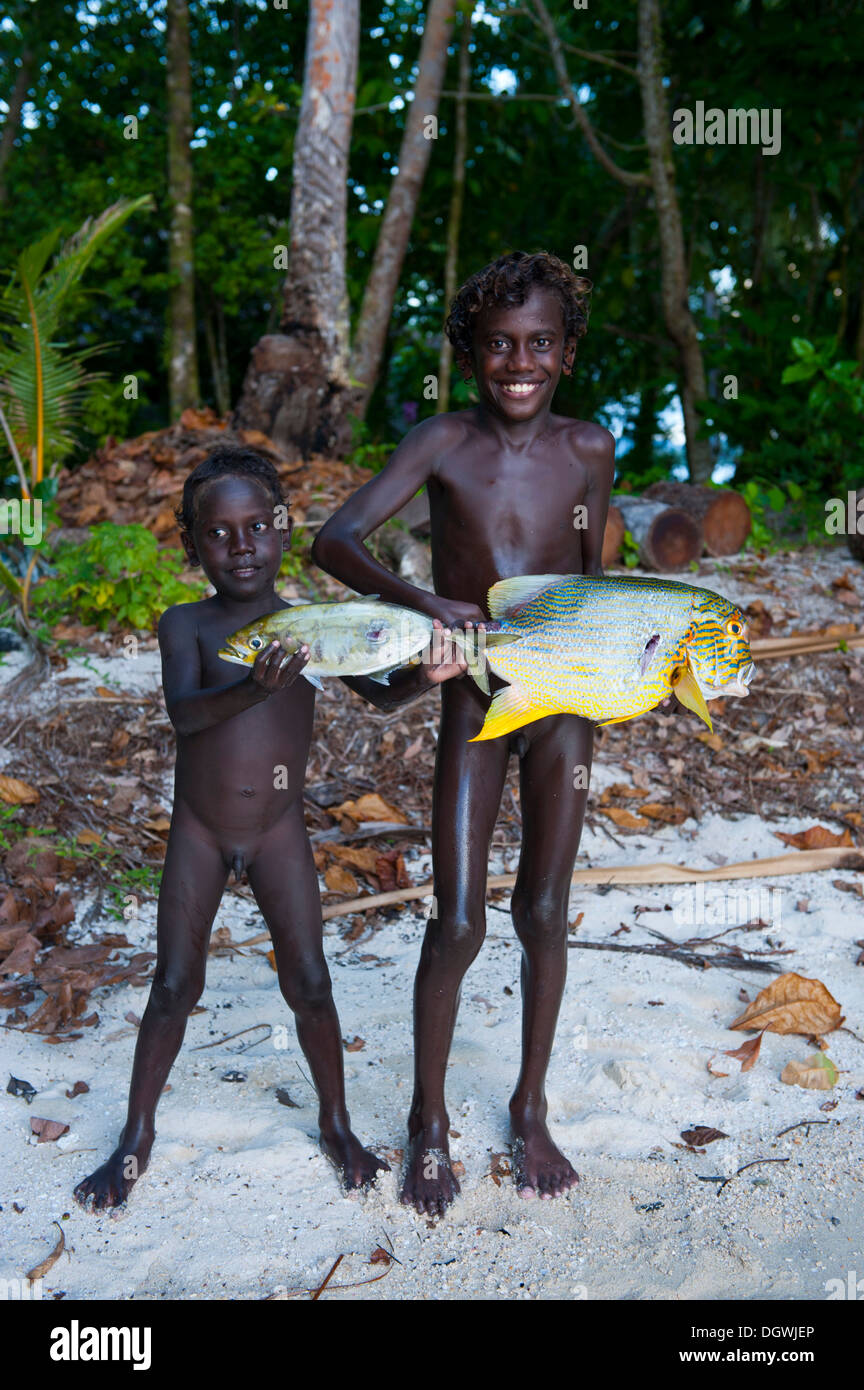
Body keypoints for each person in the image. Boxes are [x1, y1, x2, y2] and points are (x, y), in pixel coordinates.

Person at [74, 444, 465, 1210]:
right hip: (202, 828)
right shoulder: (183, 624)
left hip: (279, 828)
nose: (241, 545)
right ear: (191, 544)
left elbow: (378, 695)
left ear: (282, 532)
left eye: (257, 528)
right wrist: (254, 687)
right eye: (218, 533)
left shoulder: (308, 624)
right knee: (174, 986)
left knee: (311, 984)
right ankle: (134, 1137)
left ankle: (337, 1123)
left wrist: (426, 676)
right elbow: (186, 717)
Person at [313, 251, 615, 1215]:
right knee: (455, 920)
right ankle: (428, 1122)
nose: (517, 363)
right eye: (497, 346)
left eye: (538, 345)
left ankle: (530, 1109)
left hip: (561, 702)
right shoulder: (442, 442)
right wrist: (429, 604)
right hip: (477, 702)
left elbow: (592, 586)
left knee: (543, 911)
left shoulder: (591, 450)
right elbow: (334, 539)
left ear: (566, 352)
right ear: (471, 353)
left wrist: (622, 665)